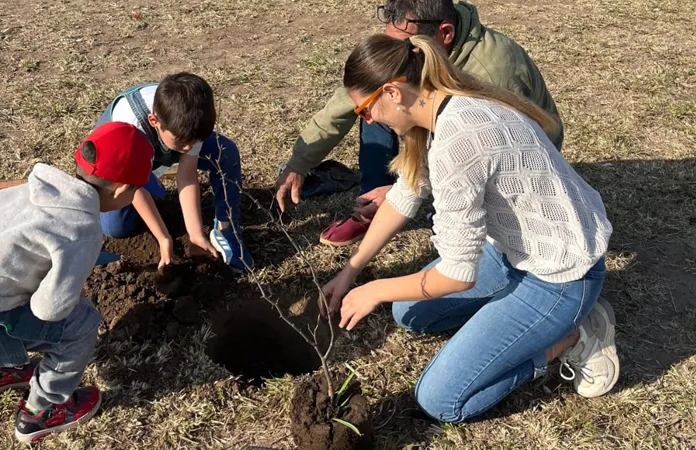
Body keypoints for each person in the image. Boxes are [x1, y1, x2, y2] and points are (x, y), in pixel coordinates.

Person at [322, 34, 618, 423]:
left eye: (364, 110)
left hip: (562, 278)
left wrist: (374, 290)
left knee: (441, 400)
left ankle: (573, 337)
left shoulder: (459, 141)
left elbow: (457, 275)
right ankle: (529, 316)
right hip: (511, 252)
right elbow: (406, 194)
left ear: (393, 92)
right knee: (409, 313)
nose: (369, 120)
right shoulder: (442, 107)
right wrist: (351, 270)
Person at [0, 122, 154, 442]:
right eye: (136, 190)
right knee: (82, 321)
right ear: (121, 188)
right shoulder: (81, 227)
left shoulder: (22, 193)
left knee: (7, 289)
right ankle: (41, 411)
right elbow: (51, 310)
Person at [276, 0, 563, 248]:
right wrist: (299, 163)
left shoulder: (490, 70)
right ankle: (372, 210)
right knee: (375, 104)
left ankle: (399, 203)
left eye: (403, 46)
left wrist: (409, 187)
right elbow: (351, 97)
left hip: (512, 160)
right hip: (457, 133)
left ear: (445, 33)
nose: (399, 53)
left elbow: (493, 153)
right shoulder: (414, 41)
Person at [97, 72, 253, 272]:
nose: (189, 148)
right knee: (116, 228)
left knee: (226, 152)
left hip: (162, 144)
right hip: (120, 164)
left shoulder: (188, 124)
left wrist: (195, 234)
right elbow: (133, 189)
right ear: (154, 121)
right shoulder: (128, 128)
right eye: (182, 142)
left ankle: (226, 226)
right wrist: (163, 238)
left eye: (193, 142)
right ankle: (151, 180)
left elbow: (186, 176)